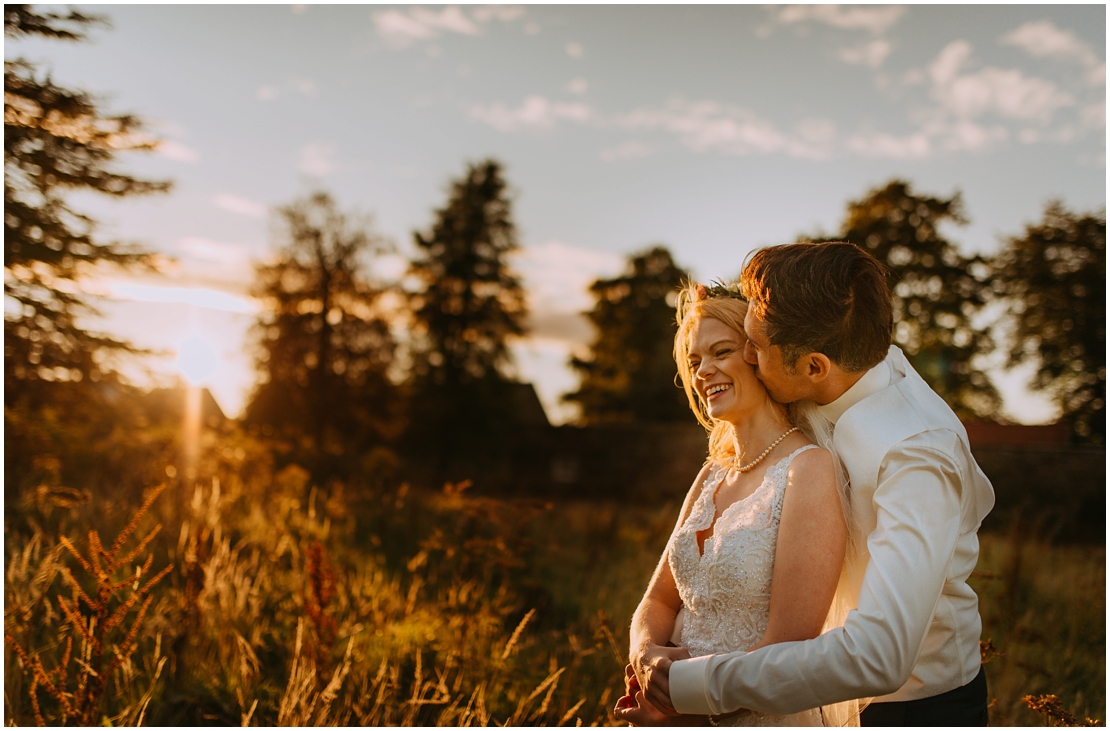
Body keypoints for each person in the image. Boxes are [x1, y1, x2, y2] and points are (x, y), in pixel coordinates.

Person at [647, 242, 995, 726]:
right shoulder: (825, 368)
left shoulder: (919, 455)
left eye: (755, 348)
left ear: (814, 366)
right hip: (807, 693)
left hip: (909, 709)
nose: (746, 356)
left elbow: (880, 656)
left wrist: (691, 690)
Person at [614, 281, 854, 726]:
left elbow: (788, 646)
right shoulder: (711, 474)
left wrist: (685, 713)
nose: (704, 370)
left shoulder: (809, 469)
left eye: (720, 351)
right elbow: (659, 599)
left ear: (758, 357)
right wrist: (645, 657)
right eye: (694, 360)